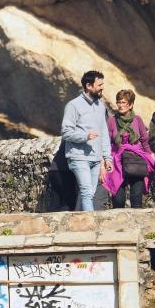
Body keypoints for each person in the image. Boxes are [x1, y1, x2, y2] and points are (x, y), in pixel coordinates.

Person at [61, 71, 113, 212]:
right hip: (78, 157)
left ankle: (86, 223)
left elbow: (104, 134)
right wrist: (85, 136)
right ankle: (90, 226)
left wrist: (108, 158)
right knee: (86, 191)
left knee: (90, 193)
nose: (102, 87)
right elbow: (66, 132)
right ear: (89, 86)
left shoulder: (101, 106)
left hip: (96, 158)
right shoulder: (73, 105)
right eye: (100, 84)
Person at [103, 90, 154, 208]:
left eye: (124, 102)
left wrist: (150, 155)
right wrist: (106, 159)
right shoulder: (111, 121)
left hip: (136, 159)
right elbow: (106, 141)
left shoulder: (137, 120)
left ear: (130, 105)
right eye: (118, 102)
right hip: (117, 161)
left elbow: (144, 140)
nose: (120, 105)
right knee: (118, 199)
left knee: (136, 198)